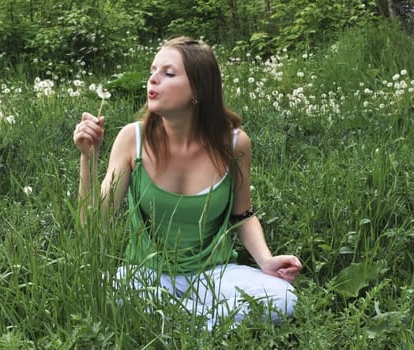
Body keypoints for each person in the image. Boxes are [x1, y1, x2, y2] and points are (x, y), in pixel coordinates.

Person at [73, 36, 302, 330]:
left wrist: (266, 261)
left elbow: (242, 215)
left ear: (198, 90)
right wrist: (88, 158)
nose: (153, 79)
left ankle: (177, 325)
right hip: (146, 275)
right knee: (109, 292)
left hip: (215, 274)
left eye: (168, 73)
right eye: (152, 71)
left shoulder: (234, 144)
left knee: (284, 298)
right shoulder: (133, 139)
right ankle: (207, 325)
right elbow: (92, 226)